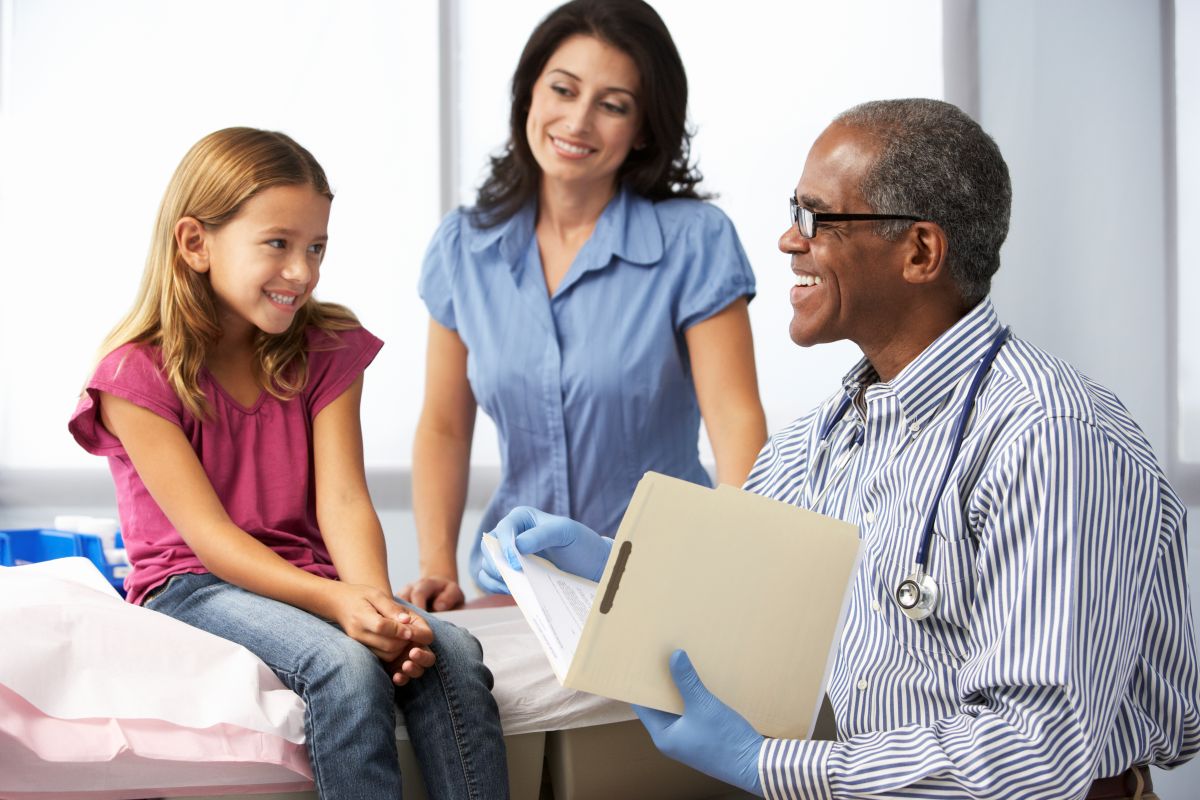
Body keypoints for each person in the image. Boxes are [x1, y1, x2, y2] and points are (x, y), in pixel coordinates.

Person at [480, 99, 1200, 800]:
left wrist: (769, 766)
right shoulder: (813, 448)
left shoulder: (1051, 439)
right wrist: (603, 566)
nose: (791, 241)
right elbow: (729, 598)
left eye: (816, 218)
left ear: (919, 251)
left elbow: (1033, 752)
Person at [68, 128, 508, 800]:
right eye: (278, 244)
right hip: (193, 583)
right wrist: (340, 607)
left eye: (316, 248)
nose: (302, 271)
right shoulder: (134, 376)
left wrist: (376, 608)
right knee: (344, 667)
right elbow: (209, 540)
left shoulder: (327, 347)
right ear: (195, 243)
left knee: (449, 654)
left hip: (309, 576)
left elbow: (342, 501)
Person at [403, 0, 768, 612]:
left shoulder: (694, 241)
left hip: (664, 582)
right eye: (563, 90)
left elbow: (735, 422)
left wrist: (737, 581)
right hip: (516, 582)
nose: (577, 121)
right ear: (530, 95)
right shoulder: (464, 248)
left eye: (612, 104)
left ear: (644, 126)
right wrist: (438, 566)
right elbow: (443, 425)